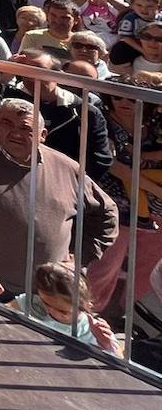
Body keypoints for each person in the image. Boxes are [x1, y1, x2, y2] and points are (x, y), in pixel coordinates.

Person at [0, 99, 118, 296]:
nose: (15, 133)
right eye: (6, 124)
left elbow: (107, 212)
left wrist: (79, 259)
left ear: (42, 135)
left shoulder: (68, 169)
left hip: (47, 295)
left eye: (25, 128)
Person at [90, 94, 162, 313]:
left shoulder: (152, 127)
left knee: (146, 268)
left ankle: (131, 315)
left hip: (154, 213)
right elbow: (112, 165)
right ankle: (84, 315)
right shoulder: (104, 122)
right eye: (118, 97)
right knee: (104, 268)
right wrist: (156, 189)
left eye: (132, 99)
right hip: (116, 209)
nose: (124, 103)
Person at [2, 52, 112, 182]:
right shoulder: (8, 100)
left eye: (38, 69)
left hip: (64, 184)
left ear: (57, 74)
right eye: (24, 70)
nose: (30, 76)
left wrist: (73, 184)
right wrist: (4, 77)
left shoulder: (84, 112)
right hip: (11, 179)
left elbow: (100, 160)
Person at [11, 261, 120, 354]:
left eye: (63, 311)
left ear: (86, 306)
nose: (51, 311)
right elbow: (0, 320)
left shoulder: (91, 331)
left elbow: (120, 363)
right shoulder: (32, 304)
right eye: (46, 303)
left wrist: (106, 345)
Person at [17, 0, 77, 66]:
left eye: (64, 18)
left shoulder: (82, 43)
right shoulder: (33, 37)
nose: (58, 21)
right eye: (53, 15)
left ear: (76, 20)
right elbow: (24, 65)